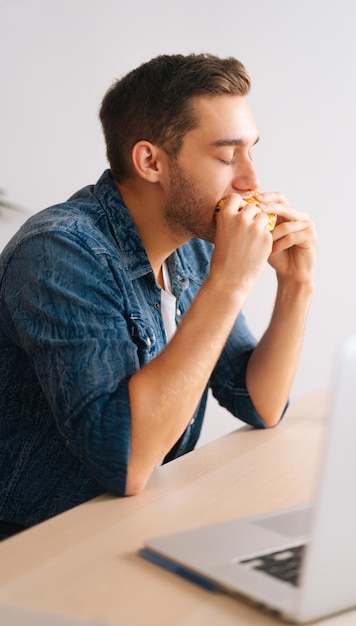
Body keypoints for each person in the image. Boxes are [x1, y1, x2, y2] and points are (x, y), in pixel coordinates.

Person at [0, 53, 316, 539]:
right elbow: (125, 460)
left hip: (132, 527)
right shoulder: (58, 252)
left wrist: (296, 285)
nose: (251, 179)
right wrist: (229, 284)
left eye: (251, 151)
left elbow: (259, 401)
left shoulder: (192, 248)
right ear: (150, 161)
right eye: (227, 155)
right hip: (36, 545)